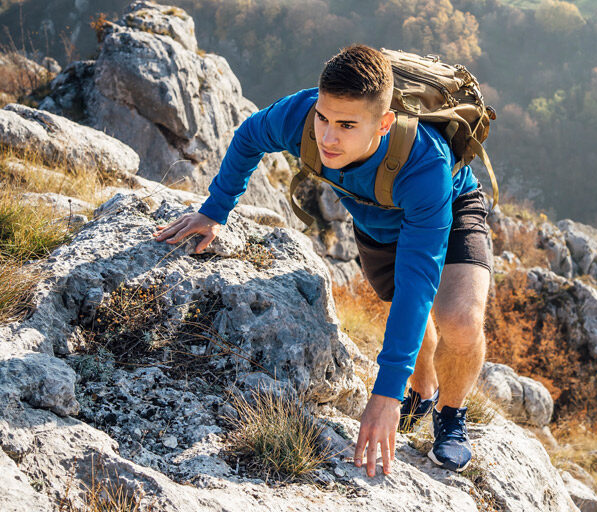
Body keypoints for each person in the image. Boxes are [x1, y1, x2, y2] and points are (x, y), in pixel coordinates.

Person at [155, 44, 491, 477]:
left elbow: (418, 280)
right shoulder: (300, 116)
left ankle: (450, 414)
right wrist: (214, 210)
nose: (327, 138)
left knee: (459, 317)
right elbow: (249, 136)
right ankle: (423, 390)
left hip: (449, 206)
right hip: (375, 222)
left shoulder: (425, 166)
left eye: (347, 125)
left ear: (384, 123)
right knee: (413, 316)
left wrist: (384, 394)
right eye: (324, 118)